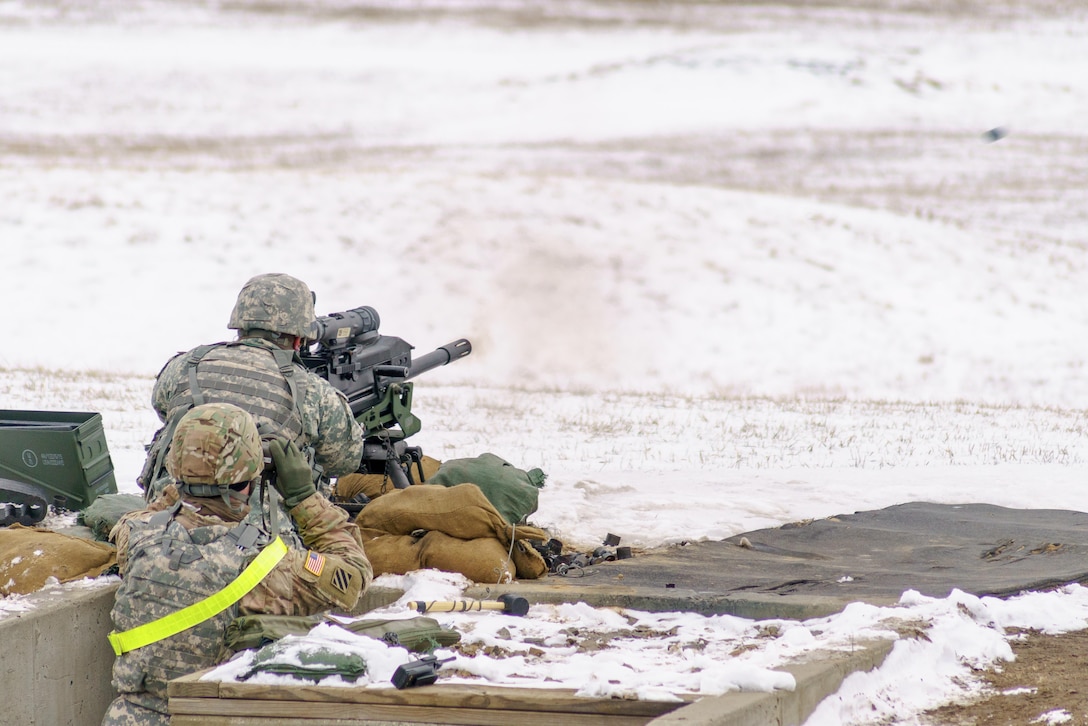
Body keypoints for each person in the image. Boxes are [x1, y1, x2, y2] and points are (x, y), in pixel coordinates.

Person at [103, 402, 373, 726]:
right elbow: (353, 575)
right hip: (207, 718)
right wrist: (304, 496)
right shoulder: (267, 565)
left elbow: (145, 515)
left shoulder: (137, 534)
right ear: (248, 477)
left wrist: (192, 477)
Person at [139, 272, 363, 500]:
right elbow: (343, 461)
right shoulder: (313, 390)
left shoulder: (187, 364)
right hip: (261, 529)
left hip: (168, 514)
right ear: (299, 339)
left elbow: (162, 406)